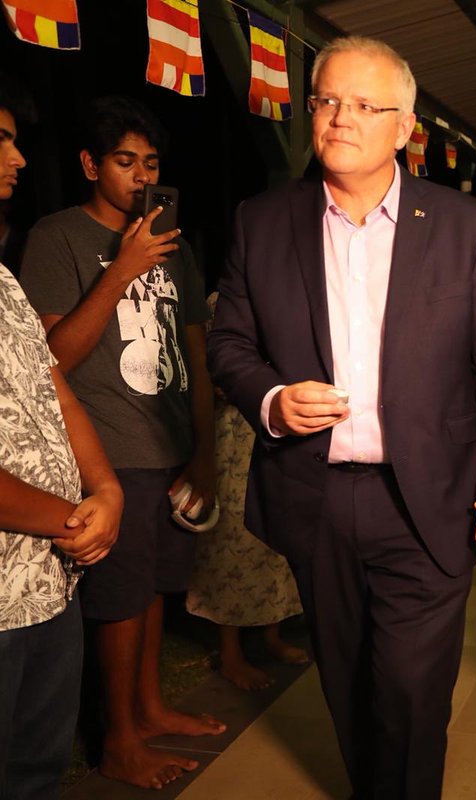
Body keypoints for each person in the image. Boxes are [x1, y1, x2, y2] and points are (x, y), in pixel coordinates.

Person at [207, 36, 476, 798]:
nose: (339, 118)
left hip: (428, 500)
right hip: (314, 498)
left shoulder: (462, 228)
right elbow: (228, 343)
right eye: (325, 100)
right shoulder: (264, 222)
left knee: (410, 696)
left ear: (404, 126)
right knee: (348, 686)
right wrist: (273, 402)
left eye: (363, 104)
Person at [20, 95, 223, 789]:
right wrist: (121, 270)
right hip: (109, 449)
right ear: (89, 165)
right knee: (119, 599)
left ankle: (150, 706)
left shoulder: (178, 248)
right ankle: (119, 740)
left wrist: (205, 449)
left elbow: (196, 356)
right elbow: (52, 359)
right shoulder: (58, 237)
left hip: (170, 444)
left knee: (156, 589)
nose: (141, 177)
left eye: (151, 164)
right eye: (124, 161)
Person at [0, 74, 123, 800]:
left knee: (34, 775)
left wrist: (104, 487)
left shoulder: (5, 283)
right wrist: (76, 517)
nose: (17, 160)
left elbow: (54, 391)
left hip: (47, 585)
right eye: (3, 141)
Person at [186, 293, 308, 692]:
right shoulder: (224, 300)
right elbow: (211, 368)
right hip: (237, 432)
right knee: (233, 540)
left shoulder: (296, 287)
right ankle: (231, 653)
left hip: (287, 435)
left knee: (278, 538)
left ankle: (271, 634)